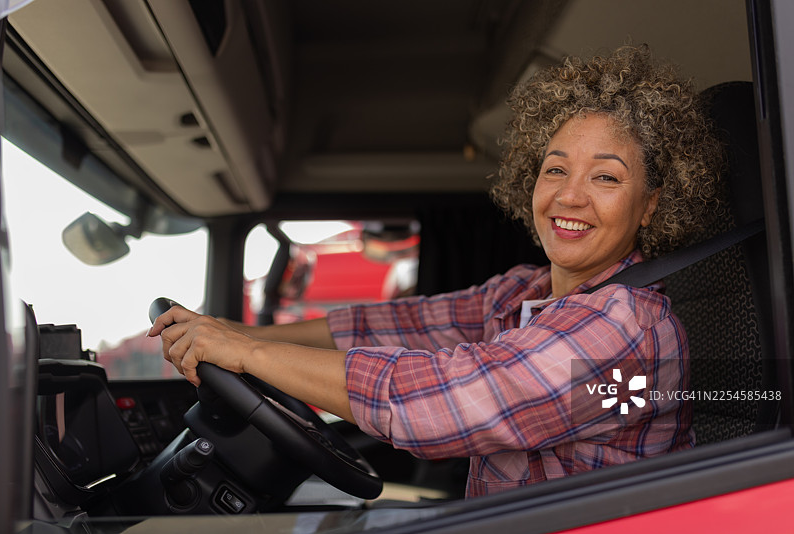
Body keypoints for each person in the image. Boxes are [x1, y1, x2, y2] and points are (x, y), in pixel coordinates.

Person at [148, 45, 722, 498]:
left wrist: (247, 355)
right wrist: (235, 334)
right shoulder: (529, 290)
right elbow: (395, 325)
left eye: (606, 177)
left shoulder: (626, 328)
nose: (569, 196)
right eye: (555, 169)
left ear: (651, 204)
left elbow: (443, 403)